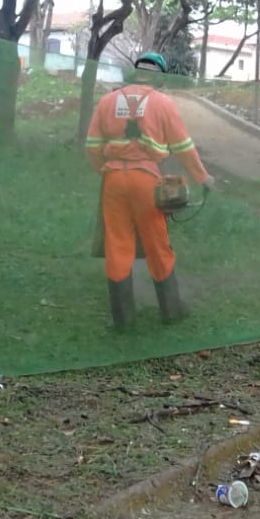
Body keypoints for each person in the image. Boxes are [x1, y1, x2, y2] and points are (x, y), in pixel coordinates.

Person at [85, 52, 213, 329]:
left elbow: (92, 147)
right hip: (147, 180)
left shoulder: (107, 101)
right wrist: (202, 178)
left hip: (114, 181)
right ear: (160, 77)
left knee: (117, 245)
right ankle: (170, 310)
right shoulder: (162, 103)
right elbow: (182, 147)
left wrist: (105, 170)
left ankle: (123, 319)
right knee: (157, 244)